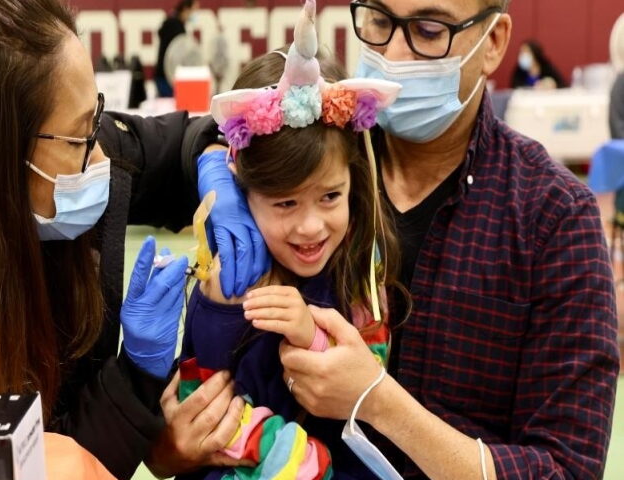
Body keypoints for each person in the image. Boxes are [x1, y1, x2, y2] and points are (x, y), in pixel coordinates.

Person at [155, 0, 620, 478]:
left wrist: (379, 403)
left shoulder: (554, 219)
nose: (394, 52)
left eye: (429, 29)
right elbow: (185, 417)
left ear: (494, 42)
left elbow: (568, 468)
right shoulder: (312, 152)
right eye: (378, 21)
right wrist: (172, 446)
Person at [0, 0, 265, 478]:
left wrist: (215, 160)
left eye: (95, 120)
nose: (103, 159)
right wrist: (136, 376)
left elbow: (180, 142)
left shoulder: (82, 151)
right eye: (80, 138)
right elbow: (39, 465)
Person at [176, 2, 405, 475]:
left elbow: (371, 375)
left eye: (330, 196)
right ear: (242, 194)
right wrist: (220, 310)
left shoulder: (362, 262)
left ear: (354, 182)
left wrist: (312, 338)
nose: (311, 227)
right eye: (285, 203)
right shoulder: (227, 280)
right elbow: (204, 410)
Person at [154, 0, 200, 97]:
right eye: (194, 10)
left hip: (164, 76)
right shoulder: (175, 26)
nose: (195, 14)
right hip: (167, 78)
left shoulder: (173, 23)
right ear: (186, 9)